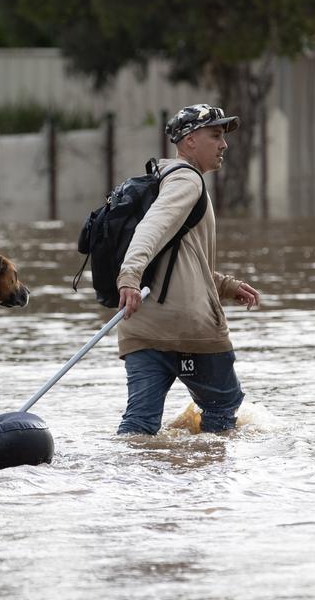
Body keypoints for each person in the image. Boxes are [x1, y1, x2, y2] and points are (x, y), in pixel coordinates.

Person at [115, 103, 261, 435]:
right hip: (189, 329)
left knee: (139, 423)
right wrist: (129, 276)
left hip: (140, 328)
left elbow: (182, 259)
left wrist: (224, 286)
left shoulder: (161, 178)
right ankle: (208, 484)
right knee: (222, 410)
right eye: (215, 135)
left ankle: (127, 483)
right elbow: (151, 228)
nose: (223, 144)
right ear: (190, 140)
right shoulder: (186, 180)